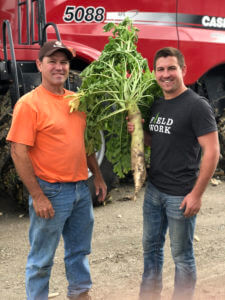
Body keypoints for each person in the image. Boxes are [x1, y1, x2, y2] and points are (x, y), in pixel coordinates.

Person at [6, 40, 107, 300]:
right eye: (52, 61)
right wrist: (38, 195)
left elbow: (86, 144)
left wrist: (96, 175)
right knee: (41, 258)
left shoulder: (77, 101)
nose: (59, 67)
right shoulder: (30, 104)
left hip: (80, 190)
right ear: (40, 65)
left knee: (79, 250)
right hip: (51, 192)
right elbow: (18, 151)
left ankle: (80, 293)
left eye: (64, 62)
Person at [128, 47, 220, 300]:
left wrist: (197, 195)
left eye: (171, 68)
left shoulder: (196, 106)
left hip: (180, 195)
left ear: (183, 70)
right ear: (154, 73)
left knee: (182, 257)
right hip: (154, 192)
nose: (166, 74)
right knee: (151, 250)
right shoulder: (158, 103)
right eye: (160, 69)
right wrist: (137, 131)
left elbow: (212, 152)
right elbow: (157, 140)